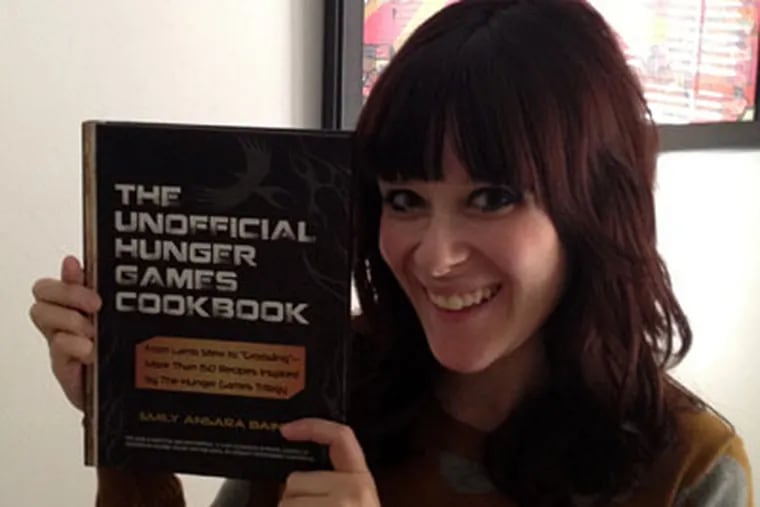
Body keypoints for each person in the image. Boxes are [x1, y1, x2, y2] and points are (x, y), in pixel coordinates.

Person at [30, 1, 753, 506]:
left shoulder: (687, 469)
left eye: (492, 197)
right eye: (405, 199)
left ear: (591, 206)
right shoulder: (328, 379)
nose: (435, 258)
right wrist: (126, 416)